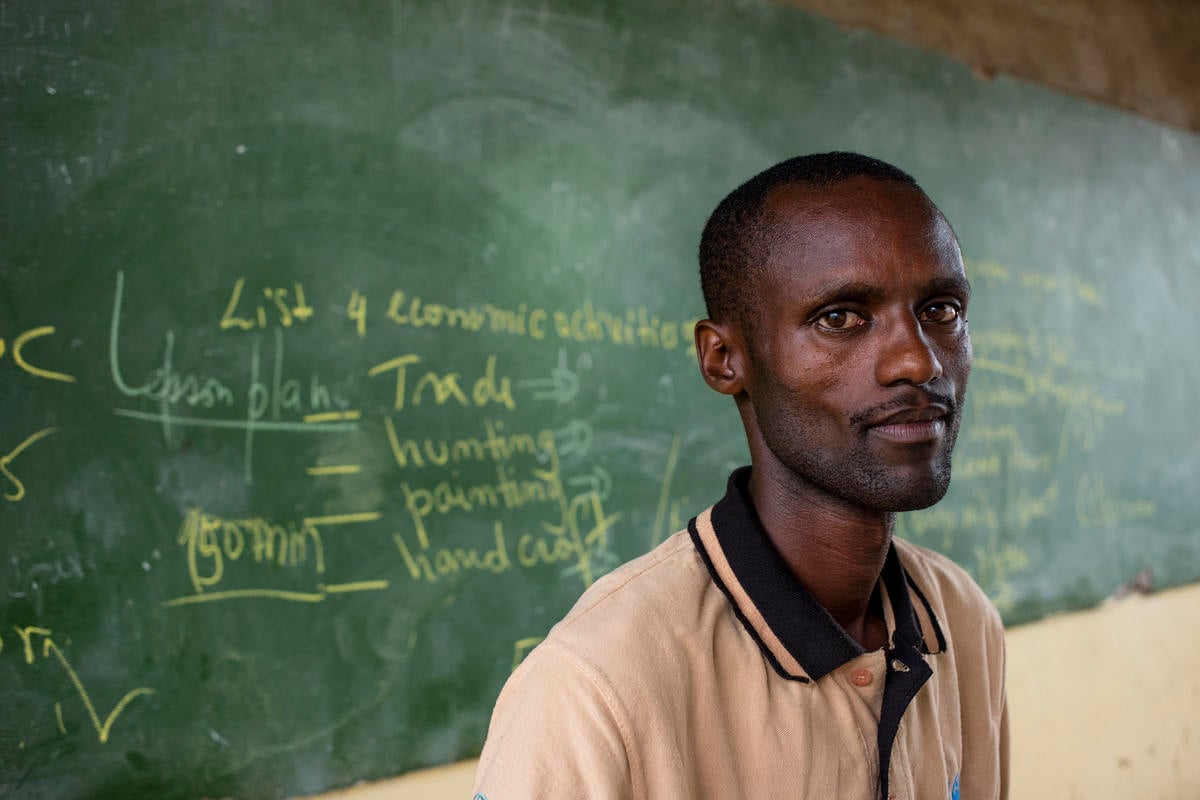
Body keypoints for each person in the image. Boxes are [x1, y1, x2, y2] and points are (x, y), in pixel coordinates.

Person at [473, 152, 1008, 799]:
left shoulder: (961, 622)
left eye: (942, 310)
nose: (917, 361)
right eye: (840, 317)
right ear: (724, 359)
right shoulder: (597, 687)